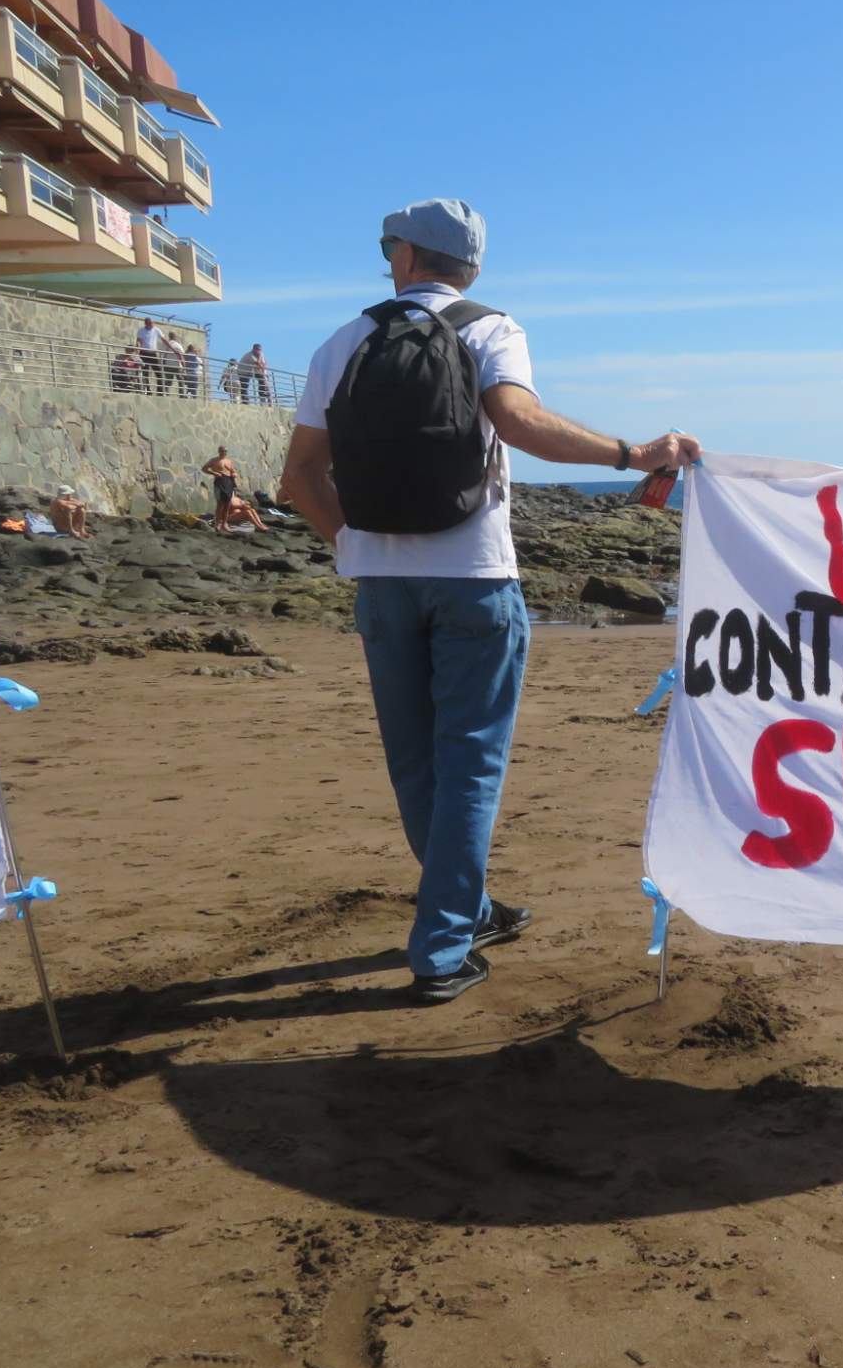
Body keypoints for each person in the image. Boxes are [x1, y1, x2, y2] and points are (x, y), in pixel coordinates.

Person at [279, 198, 703, 1003]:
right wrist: (629, 453)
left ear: (405, 255)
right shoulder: (490, 329)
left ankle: (464, 908)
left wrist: (352, 545)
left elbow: (297, 478)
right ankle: (442, 949)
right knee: (470, 759)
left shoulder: (344, 343)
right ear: (470, 266)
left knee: (417, 761)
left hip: (380, 584)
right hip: (473, 575)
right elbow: (519, 421)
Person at [201, 446, 238, 524]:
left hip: (228, 481)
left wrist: (234, 474)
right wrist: (214, 473)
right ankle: (218, 523)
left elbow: (233, 471)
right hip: (220, 481)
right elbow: (204, 468)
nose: (224, 452)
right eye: (222, 451)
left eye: (225, 451)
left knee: (227, 504)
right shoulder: (214, 460)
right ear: (219, 451)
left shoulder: (229, 461)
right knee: (220, 503)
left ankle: (224, 523)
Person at [134, 317, 161, 394]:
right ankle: (148, 390)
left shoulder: (156, 329)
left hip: (153, 354)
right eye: (150, 323)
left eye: (153, 323)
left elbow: (164, 339)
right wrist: (137, 350)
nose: (152, 325)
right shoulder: (141, 331)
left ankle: (160, 392)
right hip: (144, 353)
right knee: (145, 373)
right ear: (146, 323)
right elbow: (138, 341)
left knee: (159, 373)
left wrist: (173, 349)